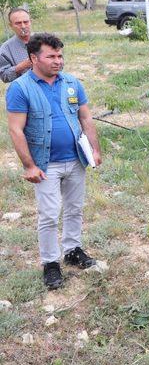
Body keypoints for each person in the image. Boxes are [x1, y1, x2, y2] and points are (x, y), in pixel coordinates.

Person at [6, 33, 102, 290]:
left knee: (75, 208)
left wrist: (94, 149)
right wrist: (29, 165)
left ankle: (72, 250)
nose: (58, 61)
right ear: (33, 58)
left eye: (60, 55)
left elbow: (86, 118)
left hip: (76, 159)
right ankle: (50, 263)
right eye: (51, 56)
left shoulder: (71, 83)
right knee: (49, 215)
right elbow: (16, 129)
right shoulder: (20, 88)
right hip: (45, 164)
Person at [0, 8, 32, 83]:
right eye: (18, 23)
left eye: (26, 22)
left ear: (31, 22)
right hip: (23, 92)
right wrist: (22, 66)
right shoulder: (5, 49)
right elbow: (4, 77)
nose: (23, 26)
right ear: (11, 25)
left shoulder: (44, 41)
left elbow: (59, 64)